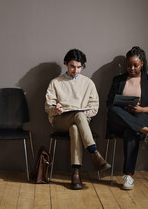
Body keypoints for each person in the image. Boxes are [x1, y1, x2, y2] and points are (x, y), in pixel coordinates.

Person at [45, 48, 111, 190]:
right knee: (77, 117)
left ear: (83, 66)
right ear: (66, 64)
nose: (76, 70)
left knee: (75, 126)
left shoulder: (88, 83)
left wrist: (84, 113)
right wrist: (55, 109)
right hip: (60, 120)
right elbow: (48, 106)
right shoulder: (56, 82)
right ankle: (95, 153)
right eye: (72, 66)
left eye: (79, 67)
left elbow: (94, 107)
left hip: (81, 122)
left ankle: (75, 173)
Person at [106, 46, 148, 190]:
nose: (131, 68)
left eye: (135, 65)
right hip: (120, 118)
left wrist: (142, 109)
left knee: (130, 131)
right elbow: (109, 103)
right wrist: (123, 107)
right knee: (112, 109)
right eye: (129, 65)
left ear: (142, 63)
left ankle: (128, 176)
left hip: (143, 116)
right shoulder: (118, 80)